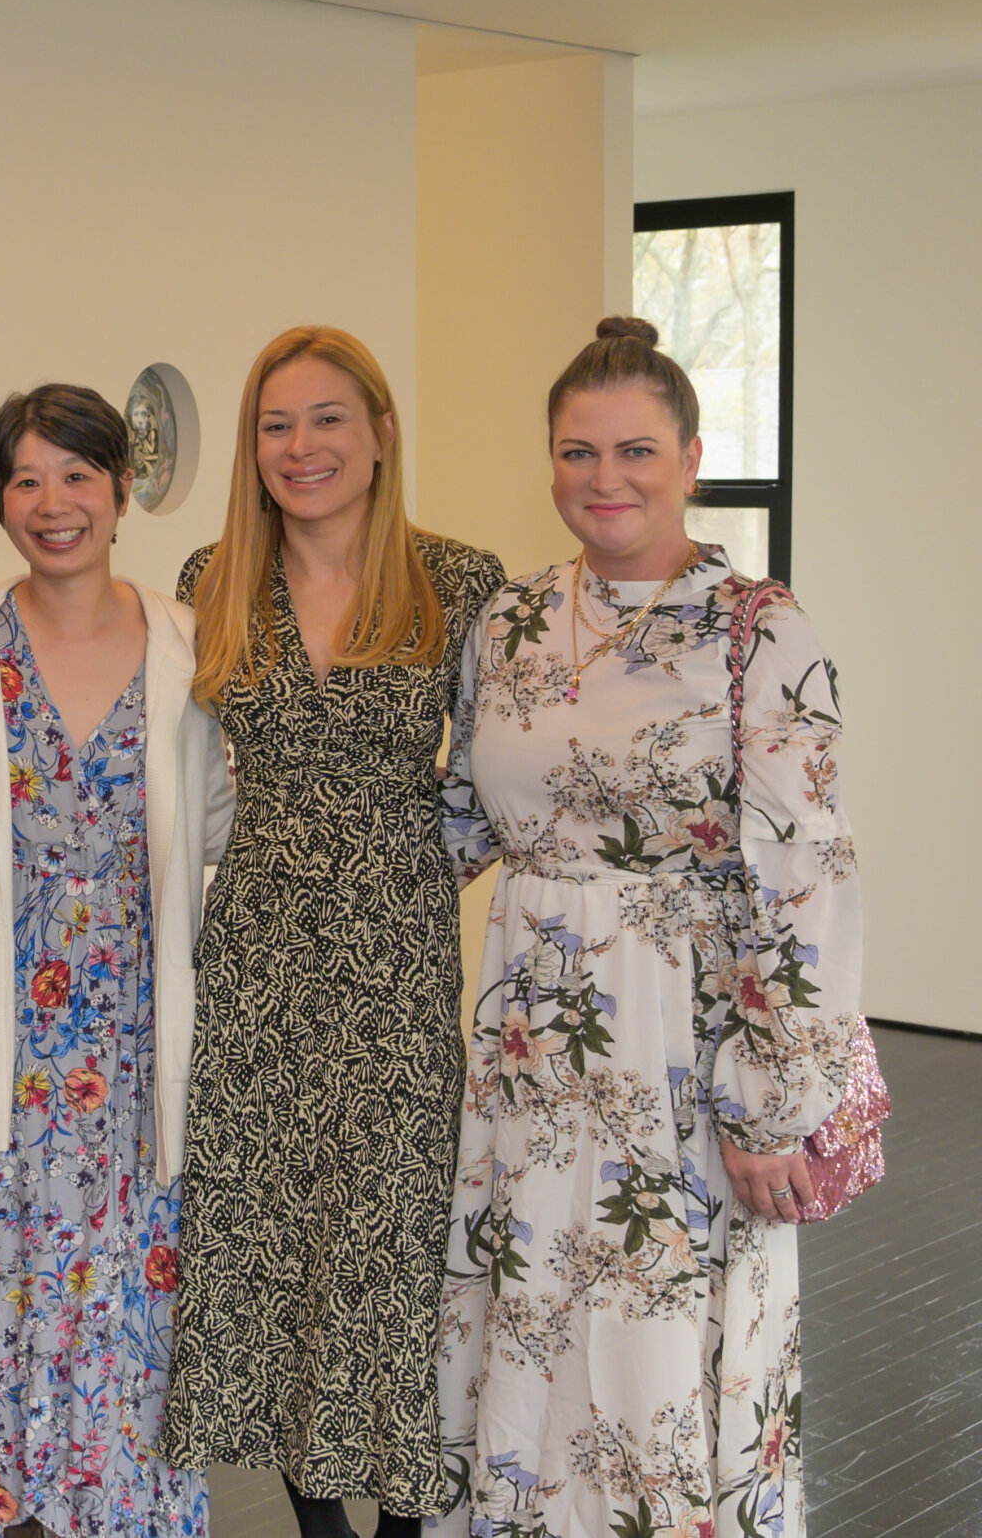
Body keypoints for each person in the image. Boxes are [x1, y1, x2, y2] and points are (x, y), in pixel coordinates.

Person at [435, 317, 860, 1537]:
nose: (602, 479)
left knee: (654, 1335)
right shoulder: (509, 623)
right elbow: (463, 819)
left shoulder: (759, 629)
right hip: (527, 1042)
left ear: (690, 456)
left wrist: (775, 1099)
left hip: (682, 1045)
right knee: (534, 1318)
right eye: (576, 452)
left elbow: (806, 871)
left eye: (632, 450)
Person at [159, 327, 504, 1538]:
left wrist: (411, 861)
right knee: (270, 1244)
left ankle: (403, 1524)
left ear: (380, 432)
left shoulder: (459, 582)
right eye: (275, 425)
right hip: (251, 959)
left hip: (397, 964)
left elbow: (502, 774)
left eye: (325, 420)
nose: (300, 448)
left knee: (388, 1250)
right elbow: (185, 773)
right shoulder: (213, 578)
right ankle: (313, 1526)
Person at [0, 386, 232, 1538]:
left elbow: (221, 831)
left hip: (134, 1063)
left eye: (77, 474)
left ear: (121, 491)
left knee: (124, 1340)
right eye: (25, 479)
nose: (52, 502)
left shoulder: (190, 648)